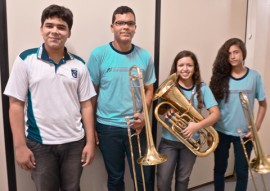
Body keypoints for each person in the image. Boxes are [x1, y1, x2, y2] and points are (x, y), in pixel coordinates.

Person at [4, 4, 96, 191]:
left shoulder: (79, 65)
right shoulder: (25, 60)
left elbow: (86, 105)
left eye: (61, 27)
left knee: (73, 188)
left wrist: (90, 142)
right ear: (41, 29)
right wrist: (20, 146)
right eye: (49, 25)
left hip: (74, 143)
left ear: (69, 33)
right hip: (40, 144)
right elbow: (15, 105)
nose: (55, 31)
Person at [87, 5, 155, 191]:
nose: (125, 27)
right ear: (112, 27)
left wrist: (144, 115)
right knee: (115, 178)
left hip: (138, 127)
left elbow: (150, 89)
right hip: (107, 127)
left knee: (144, 178)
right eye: (120, 23)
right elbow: (89, 95)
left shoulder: (145, 56)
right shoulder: (98, 55)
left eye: (130, 23)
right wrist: (90, 128)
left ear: (135, 28)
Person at [156, 50, 220, 191]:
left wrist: (197, 126)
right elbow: (159, 108)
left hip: (191, 143)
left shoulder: (202, 88)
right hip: (169, 142)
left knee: (183, 180)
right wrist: (165, 110)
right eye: (181, 65)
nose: (185, 69)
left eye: (189, 65)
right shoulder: (169, 87)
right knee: (162, 181)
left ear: (195, 67)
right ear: (176, 68)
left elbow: (215, 114)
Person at [209, 38, 267, 191]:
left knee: (242, 172)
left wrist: (256, 127)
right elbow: (212, 107)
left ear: (243, 53)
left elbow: (263, 105)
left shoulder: (255, 76)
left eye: (236, 52)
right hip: (221, 131)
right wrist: (210, 130)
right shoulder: (221, 78)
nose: (233, 56)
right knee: (219, 169)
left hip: (245, 134)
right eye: (229, 54)